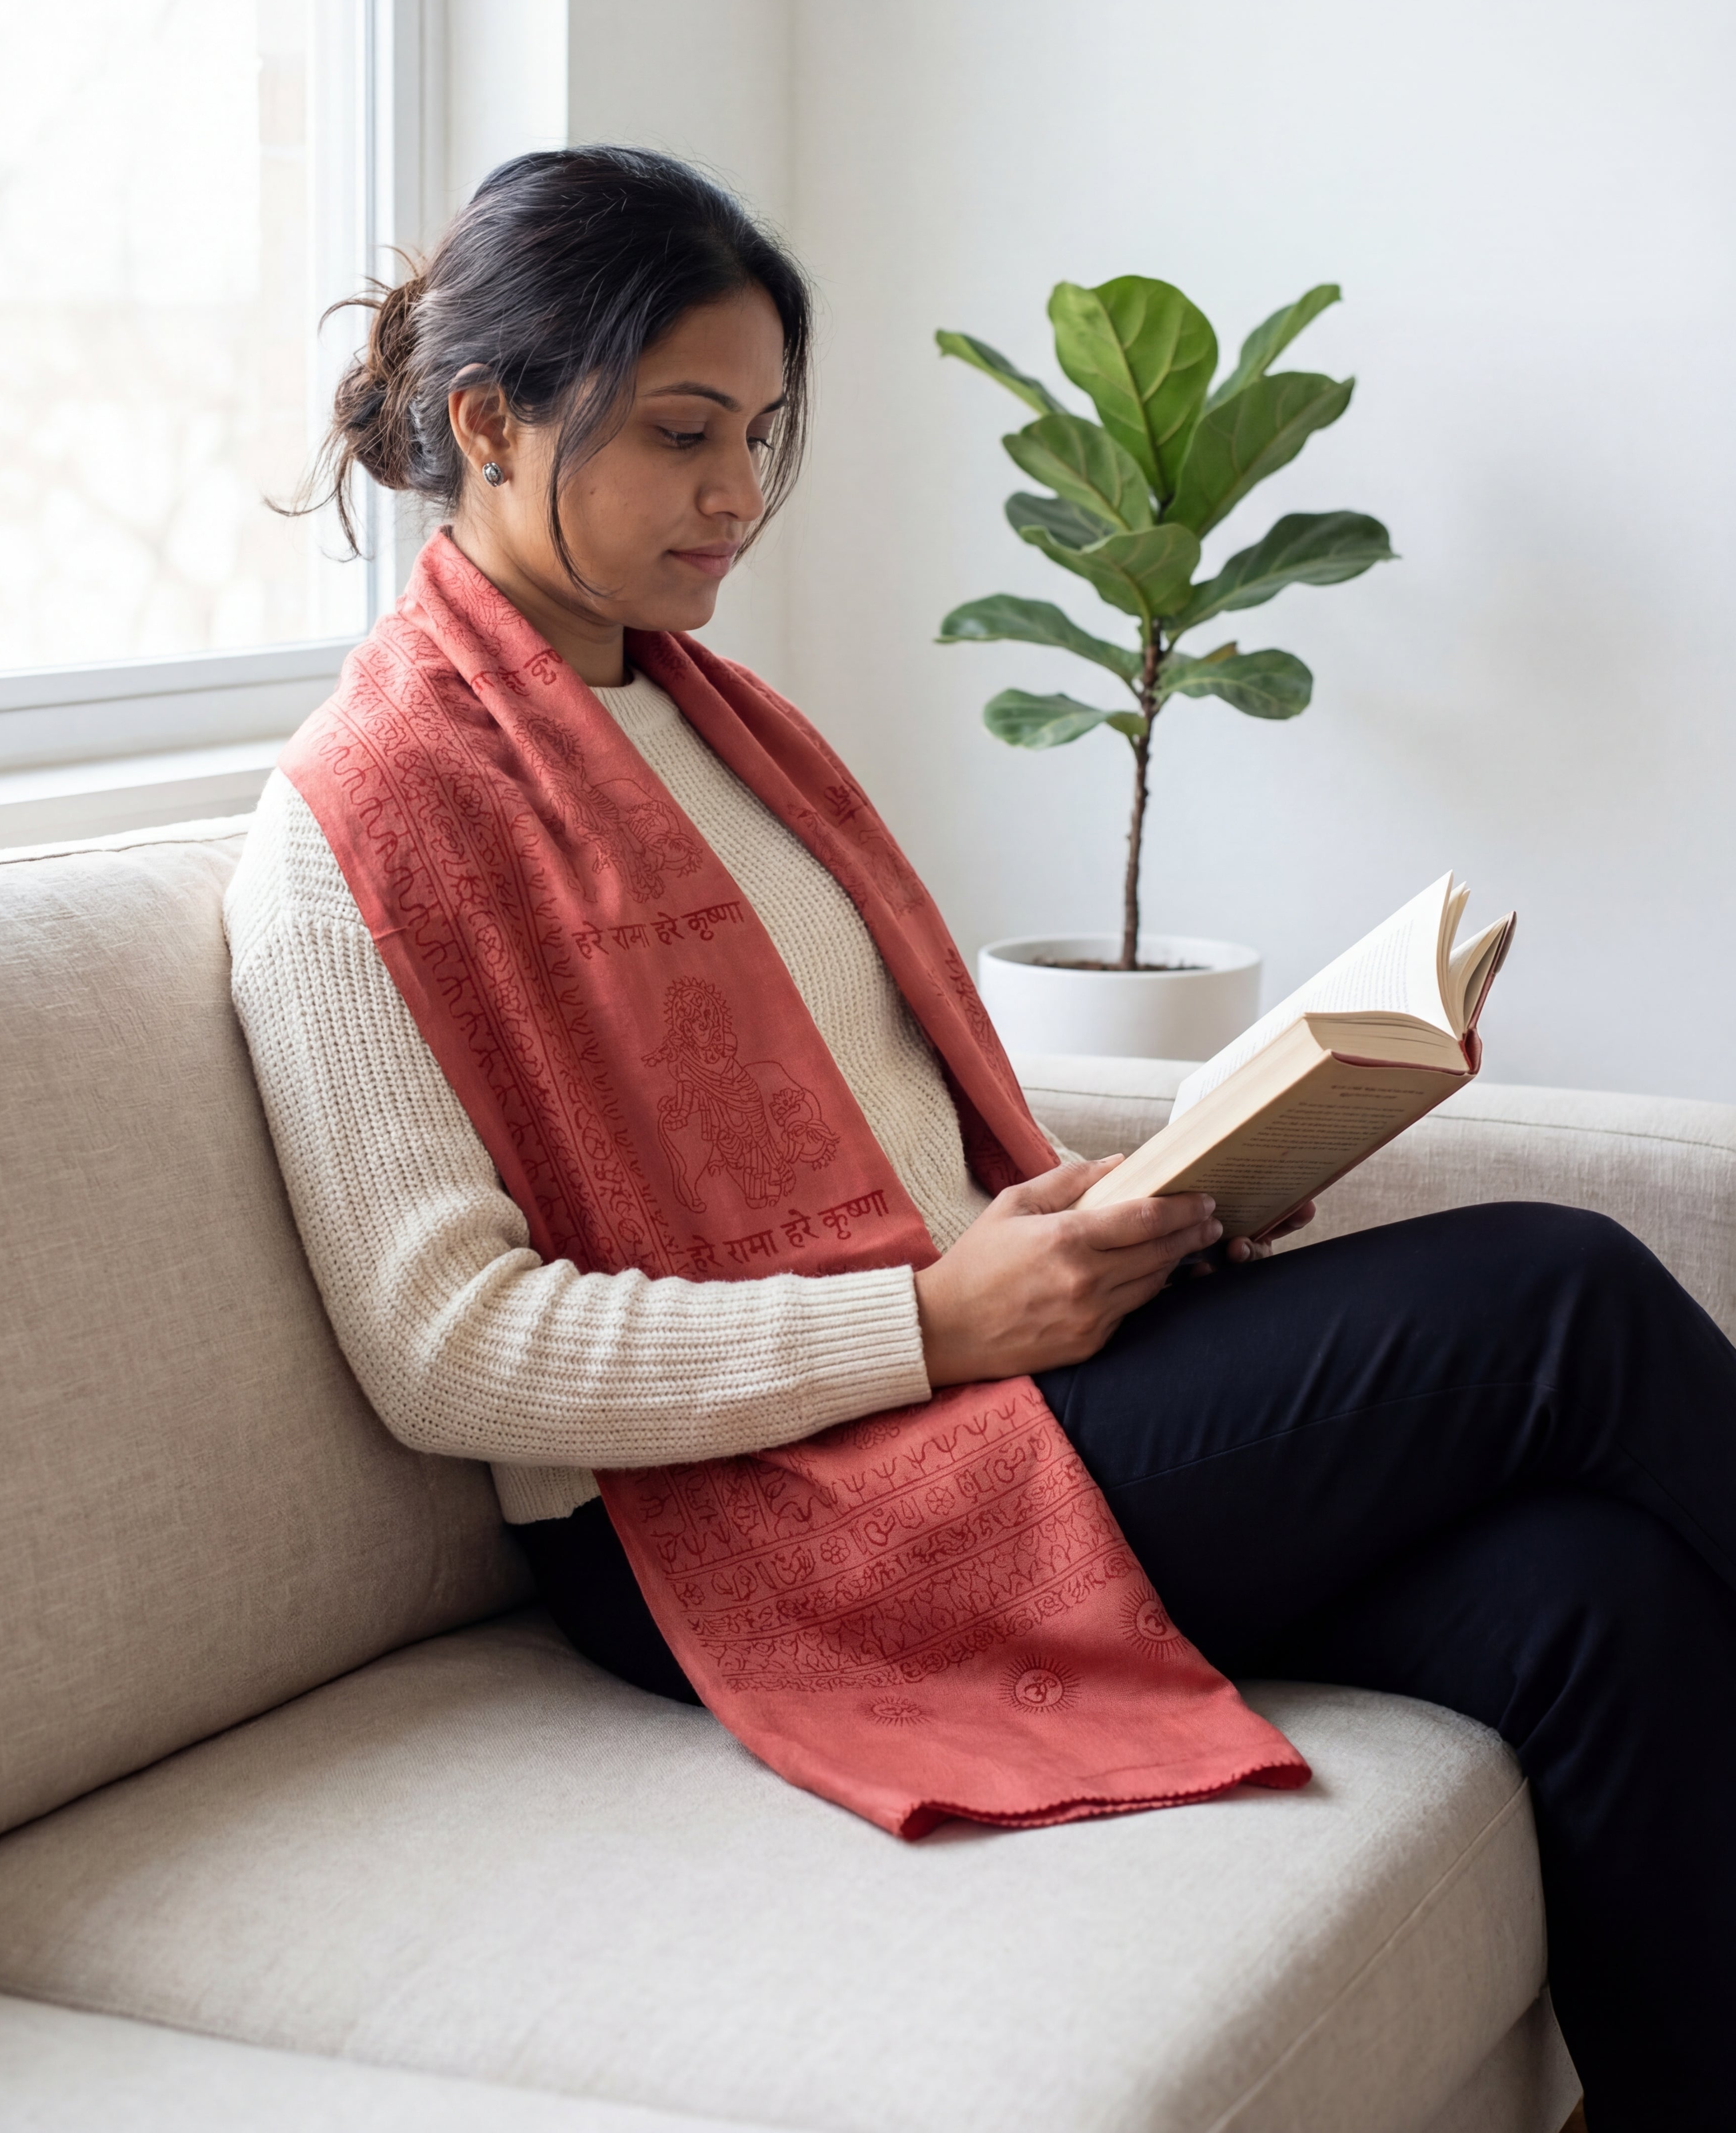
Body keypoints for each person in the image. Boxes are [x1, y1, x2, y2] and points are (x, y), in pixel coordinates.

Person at [226, 146, 1734, 2131]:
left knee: (1581, 1606)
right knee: (1559, 1297)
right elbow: (451, 1351)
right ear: (489, 423)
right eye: (683, 434)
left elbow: (852, 1160)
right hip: (720, 1521)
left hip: (947, 1396)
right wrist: (927, 1328)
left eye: (759, 435)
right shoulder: (353, 825)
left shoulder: (727, 730)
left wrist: (1071, 1216)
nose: (738, 497)